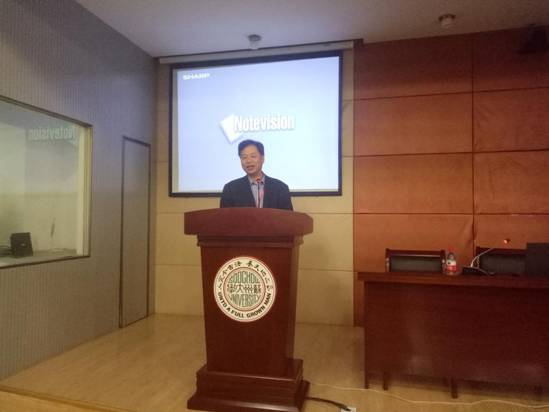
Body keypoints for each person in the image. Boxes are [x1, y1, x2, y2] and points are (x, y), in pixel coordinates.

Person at [220, 139, 293, 210]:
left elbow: (288, 217)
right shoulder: (230, 189)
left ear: (262, 159)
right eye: (244, 157)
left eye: (253, 156)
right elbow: (224, 217)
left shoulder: (281, 188)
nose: (248, 161)